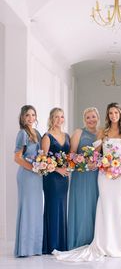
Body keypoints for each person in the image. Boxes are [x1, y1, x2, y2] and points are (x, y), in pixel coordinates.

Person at [53, 102, 121, 261]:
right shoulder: (102, 132)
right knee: (105, 206)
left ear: (120, 114)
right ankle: (103, 243)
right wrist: (96, 164)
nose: (113, 115)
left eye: (116, 112)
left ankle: (118, 245)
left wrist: (120, 169)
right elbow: (95, 154)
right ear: (107, 115)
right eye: (110, 113)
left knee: (119, 206)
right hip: (104, 175)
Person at [68, 107, 100, 249]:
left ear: (98, 118)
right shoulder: (78, 132)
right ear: (84, 120)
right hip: (81, 175)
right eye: (88, 117)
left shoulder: (101, 134)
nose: (91, 120)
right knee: (82, 205)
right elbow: (71, 154)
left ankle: (94, 241)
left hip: (96, 175)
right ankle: (79, 240)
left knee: (94, 205)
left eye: (93, 117)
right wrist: (81, 160)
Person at [14, 105, 43, 257]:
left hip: (37, 177)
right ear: (22, 118)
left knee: (36, 210)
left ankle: (35, 247)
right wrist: (33, 168)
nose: (30, 118)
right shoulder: (22, 133)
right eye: (27, 115)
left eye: (33, 115)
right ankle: (25, 248)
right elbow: (17, 157)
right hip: (26, 175)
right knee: (27, 209)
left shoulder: (37, 133)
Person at [42, 107, 70, 254]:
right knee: (52, 207)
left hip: (64, 178)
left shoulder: (66, 135)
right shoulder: (47, 136)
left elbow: (69, 156)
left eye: (62, 117)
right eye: (57, 117)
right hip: (52, 178)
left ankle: (61, 244)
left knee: (62, 207)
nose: (60, 120)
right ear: (51, 118)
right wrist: (58, 169)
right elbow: (43, 159)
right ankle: (51, 244)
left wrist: (67, 167)